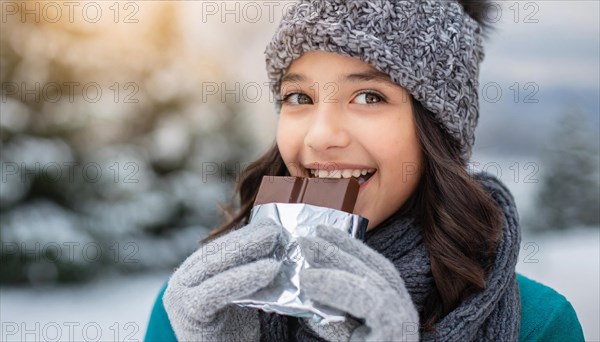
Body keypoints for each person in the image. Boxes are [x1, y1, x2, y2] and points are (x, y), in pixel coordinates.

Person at [145, 0, 585, 341]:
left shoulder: (540, 323)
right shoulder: (199, 303)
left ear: (437, 129)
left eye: (369, 97)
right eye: (299, 97)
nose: (321, 136)